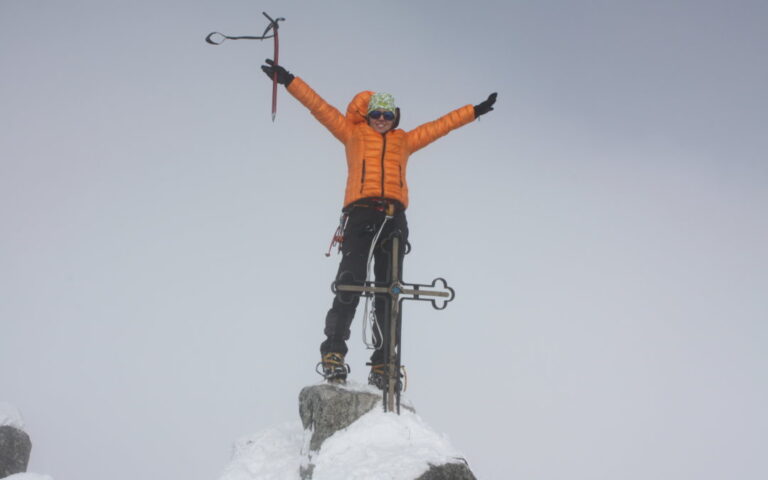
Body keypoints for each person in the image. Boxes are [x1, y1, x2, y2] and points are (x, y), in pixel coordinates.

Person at [261, 59, 497, 388]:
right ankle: (333, 354)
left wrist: (474, 111)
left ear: (395, 116)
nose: (382, 120)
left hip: (394, 220)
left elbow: (439, 126)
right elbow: (318, 107)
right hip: (361, 215)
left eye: (388, 114)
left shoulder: (404, 141)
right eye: (376, 114)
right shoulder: (352, 134)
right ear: (368, 115)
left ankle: (384, 364)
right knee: (350, 283)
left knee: (390, 293)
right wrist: (287, 80)